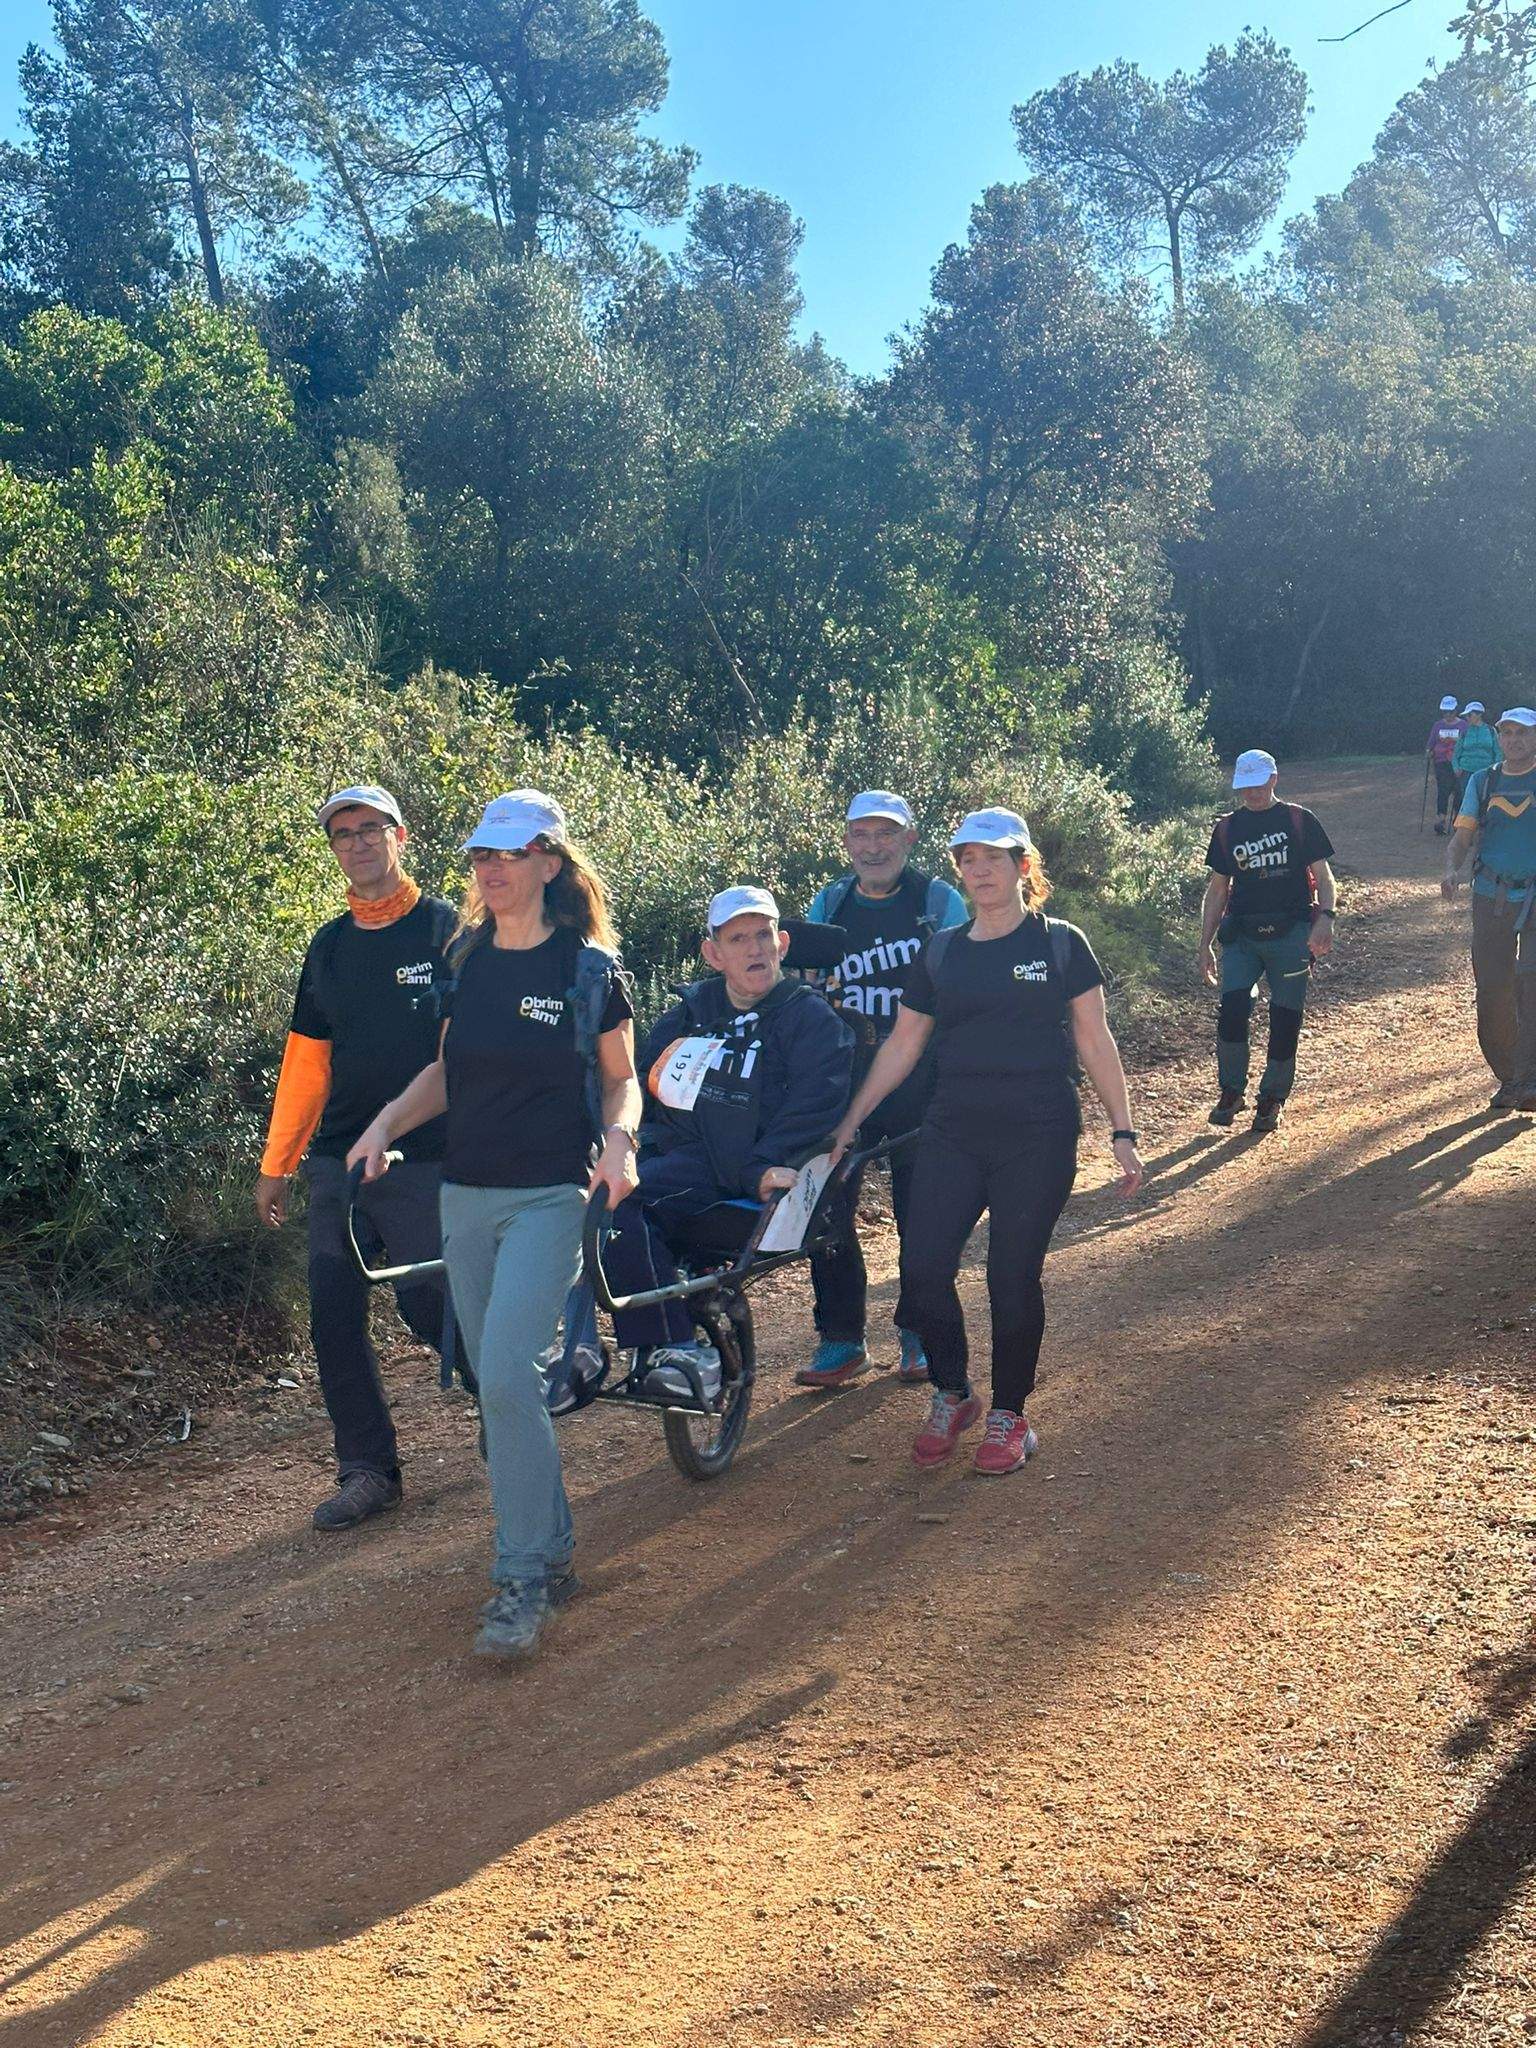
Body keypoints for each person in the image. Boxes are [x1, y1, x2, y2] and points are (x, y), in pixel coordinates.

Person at [348, 791, 641, 1660]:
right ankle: (549, 1553)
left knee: (511, 1376)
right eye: (482, 856)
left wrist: (619, 1143)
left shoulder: (588, 973)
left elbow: (622, 1079)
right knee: (496, 1382)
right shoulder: (465, 958)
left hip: (550, 1196)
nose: (492, 869)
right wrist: (384, 1125)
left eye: (509, 855)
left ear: (549, 863)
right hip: (463, 1199)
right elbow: (445, 1069)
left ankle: (518, 1579)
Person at [827, 808, 1144, 1477]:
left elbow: (1093, 1039)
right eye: (968, 861)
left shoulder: (1060, 944)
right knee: (922, 1271)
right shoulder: (942, 952)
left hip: (1038, 1131)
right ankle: (952, 1392)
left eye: (993, 860)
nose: (979, 873)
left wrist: (1123, 1131)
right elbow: (903, 1044)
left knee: (1009, 1275)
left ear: (1023, 867)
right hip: (953, 1128)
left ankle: (1009, 1412)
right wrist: (850, 1122)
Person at [256, 784, 458, 1533]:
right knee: (333, 1313)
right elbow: (307, 1062)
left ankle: (507, 1404)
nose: (358, 843)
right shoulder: (330, 945)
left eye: (371, 828)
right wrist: (278, 1162)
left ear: (401, 836)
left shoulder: (447, 929)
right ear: (335, 851)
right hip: (339, 1157)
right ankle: (368, 1468)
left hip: (429, 1154)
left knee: (429, 1297)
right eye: (343, 835)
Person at [603, 887, 854, 1399]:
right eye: (738, 938)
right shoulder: (687, 1014)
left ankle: (672, 1346)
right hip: (676, 1156)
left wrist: (762, 1166)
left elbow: (815, 1106)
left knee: (619, 1206)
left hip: (736, 1168)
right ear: (713, 954)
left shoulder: (811, 1020)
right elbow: (641, 1087)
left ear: (782, 944)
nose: (754, 948)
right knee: (595, 1198)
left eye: (763, 935)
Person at [796, 792, 968, 1390]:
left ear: (909, 839)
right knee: (828, 1205)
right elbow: (810, 988)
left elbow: (964, 984)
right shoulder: (829, 901)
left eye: (885, 835)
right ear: (846, 842)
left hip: (922, 1078)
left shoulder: (937, 901)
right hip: (845, 1078)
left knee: (921, 1209)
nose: (873, 847)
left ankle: (919, 1331)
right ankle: (841, 1340)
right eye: (861, 836)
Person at [1199, 750, 1338, 1136]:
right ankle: (1231, 1091)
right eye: (1245, 787)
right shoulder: (1228, 828)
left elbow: (1324, 878)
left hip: (1292, 933)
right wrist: (1204, 943)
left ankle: (1272, 1097)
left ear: (1273, 779)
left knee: (1285, 1017)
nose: (1252, 793)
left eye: (1258, 785)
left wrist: (1325, 919)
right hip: (1242, 934)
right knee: (1232, 1010)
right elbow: (1217, 890)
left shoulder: (1299, 820)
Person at [1443, 708, 1536, 1113]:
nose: (1514, 740)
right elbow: (1463, 835)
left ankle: (1530, 1078)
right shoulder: (1484, 781)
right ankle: (1510, 1077)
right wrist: (1451, 868)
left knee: (1531, 986)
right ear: (1498, 737)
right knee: (1493, 990)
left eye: (1523, 733)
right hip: (1490, 893)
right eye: (1508, 733)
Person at [1426, 696, 1467, 836]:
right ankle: (1441, 819)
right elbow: (1431, 742)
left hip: (1459, 762)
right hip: (1442, 761)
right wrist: (1429, 752)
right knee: (1443, 789)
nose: (1448, 715)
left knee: (1459, 790)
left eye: (1450, 712)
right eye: (1445, 712)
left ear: (1455, 711)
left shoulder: (1463, 725)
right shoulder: (1438, 725)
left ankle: (1457, 819)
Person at [1452, 701, 1498, 811]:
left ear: (1479, 715)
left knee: (1485, 797)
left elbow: (1498, 751)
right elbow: (1456, 753)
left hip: (1486, 770)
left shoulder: (1491, 731)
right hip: (1466, 771)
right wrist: (1456, 768)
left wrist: (1496, 768)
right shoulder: (1464, 732)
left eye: (1469, 715)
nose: (1467, 718)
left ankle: (1483, 821)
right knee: (1467, 798)